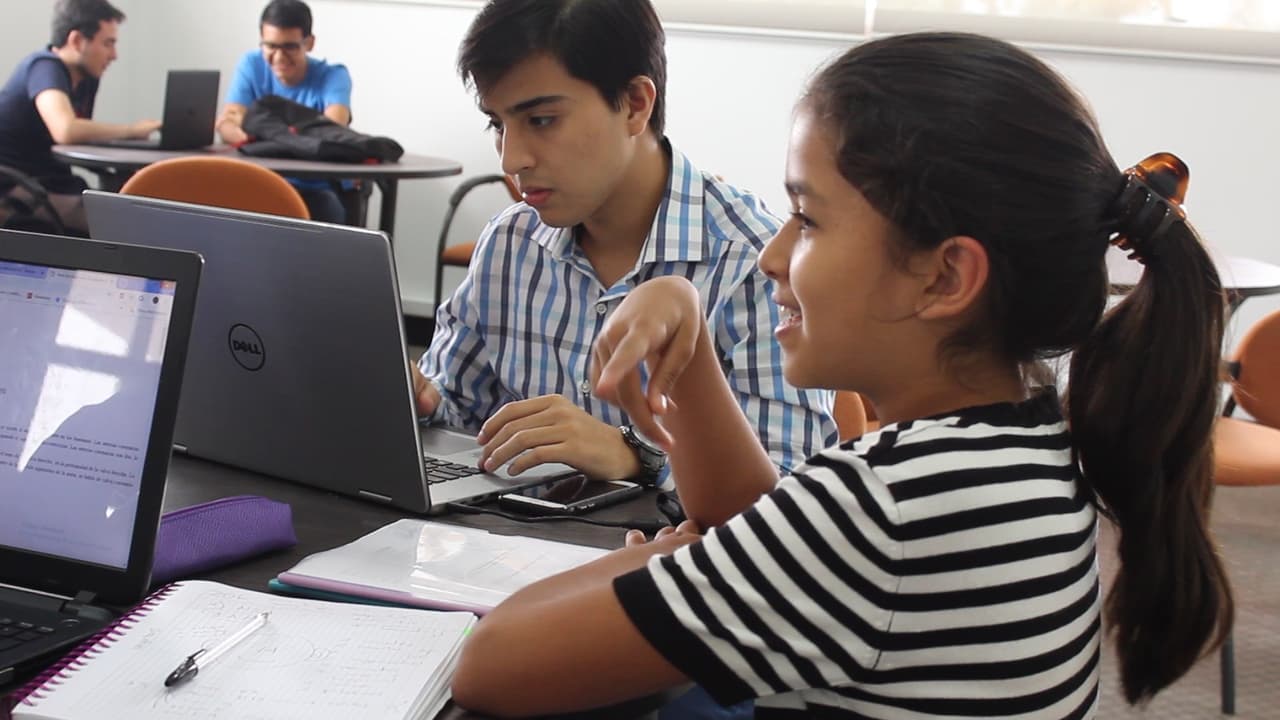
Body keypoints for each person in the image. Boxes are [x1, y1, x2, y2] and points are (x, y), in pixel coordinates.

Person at [450, 31, 1235, 718]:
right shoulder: (1027, 438)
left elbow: (490, 666)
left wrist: (654, 560)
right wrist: (687, 359)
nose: (772, 255)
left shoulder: (881, 505)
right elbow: (767, 527)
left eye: (810, 219)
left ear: (944, 277)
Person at [412, 0, 835, 488]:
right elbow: (457, 407)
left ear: (636, 103)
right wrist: (421, 399)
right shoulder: (511, 242)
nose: (512, 158)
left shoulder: (754, 262)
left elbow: (790, 492)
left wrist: (641, 457)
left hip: (671, 555)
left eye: (542, 120)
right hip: (511, 544)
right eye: (497, 124)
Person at [0, 0, 159, 236]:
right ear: (76, 41)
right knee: (126, 227)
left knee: (126, 213)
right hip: (19, 188)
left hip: (52, 182)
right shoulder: (44, 67)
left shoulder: (86, 79)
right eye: (108, 43)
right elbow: (65, 130)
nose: (114, 55)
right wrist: (132, 130)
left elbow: (78, 135)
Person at [215, 0, 351, 224]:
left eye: (289, 47)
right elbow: (227, 126)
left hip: (312, 189)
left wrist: (256, 128)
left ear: (309, 43)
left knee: (327, 209)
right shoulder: (251, 64)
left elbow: (331, 132)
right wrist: (296, 136)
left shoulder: (333, 76)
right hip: (257, 182)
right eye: (270, 46)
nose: (278, 58)